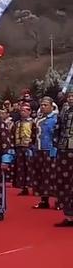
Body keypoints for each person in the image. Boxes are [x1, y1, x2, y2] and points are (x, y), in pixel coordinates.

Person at [31, 97, 58, 210]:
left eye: (45, 105)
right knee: (41, 175)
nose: (43, 107)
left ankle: (59, 200)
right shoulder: (37, 119)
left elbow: (57, 135)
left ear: (52, 106)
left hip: (51, 150)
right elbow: (33, 135)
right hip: (38, 149)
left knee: (53, 175)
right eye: (41, 105)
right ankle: (44, 200)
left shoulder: (56, 119)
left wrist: (56, 149)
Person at [54, 92, 73, 227]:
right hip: (64, 149)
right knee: (65, 182)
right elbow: (58, 129)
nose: (71, 98)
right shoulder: (64, 111)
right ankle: (69, 214)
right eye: (70, 96)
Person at [11, 103, 35, 196]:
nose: (23, 112)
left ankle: (30, 185)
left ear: (29, 112)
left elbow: (34, 134)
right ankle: (23, 186)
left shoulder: (33, 122)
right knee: (20, 168)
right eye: (21, 110)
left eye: (25, 110)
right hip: (18, 146)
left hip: (28, 146)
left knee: (29, 167)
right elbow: (13, 134)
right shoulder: (17, 123)